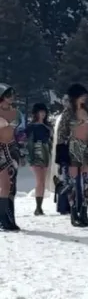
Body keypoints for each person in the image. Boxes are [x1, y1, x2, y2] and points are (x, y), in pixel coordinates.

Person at [55, 83, 88, 227]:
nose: (85, 97)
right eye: (82, 95)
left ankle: (84, 211)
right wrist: (62, 156)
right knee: (72, 182)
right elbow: (61, 134)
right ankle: (73, 213)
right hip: (72, 148)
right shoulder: (68, 113)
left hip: (87, 148)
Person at [0, 84, 23, 231]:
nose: (11, 97)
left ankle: (10, 218)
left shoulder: (17, 113)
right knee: (5, 185)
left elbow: (21, 132)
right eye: (8, 94)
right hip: (0, 150)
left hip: (12, 149)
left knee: (12, 186)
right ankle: (3, 220)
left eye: (12, 94)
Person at [25, 102, 53, 216]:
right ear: (35, 113)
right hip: (35, 152)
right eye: (40, 112)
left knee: (42, 181)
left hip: (45, 152)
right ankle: (38, 207)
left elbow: (51, 141)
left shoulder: (47, 127)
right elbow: (27, 142)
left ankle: (39, 207)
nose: (42, 114)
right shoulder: (31, 127)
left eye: (44, 112)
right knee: (40, 180)